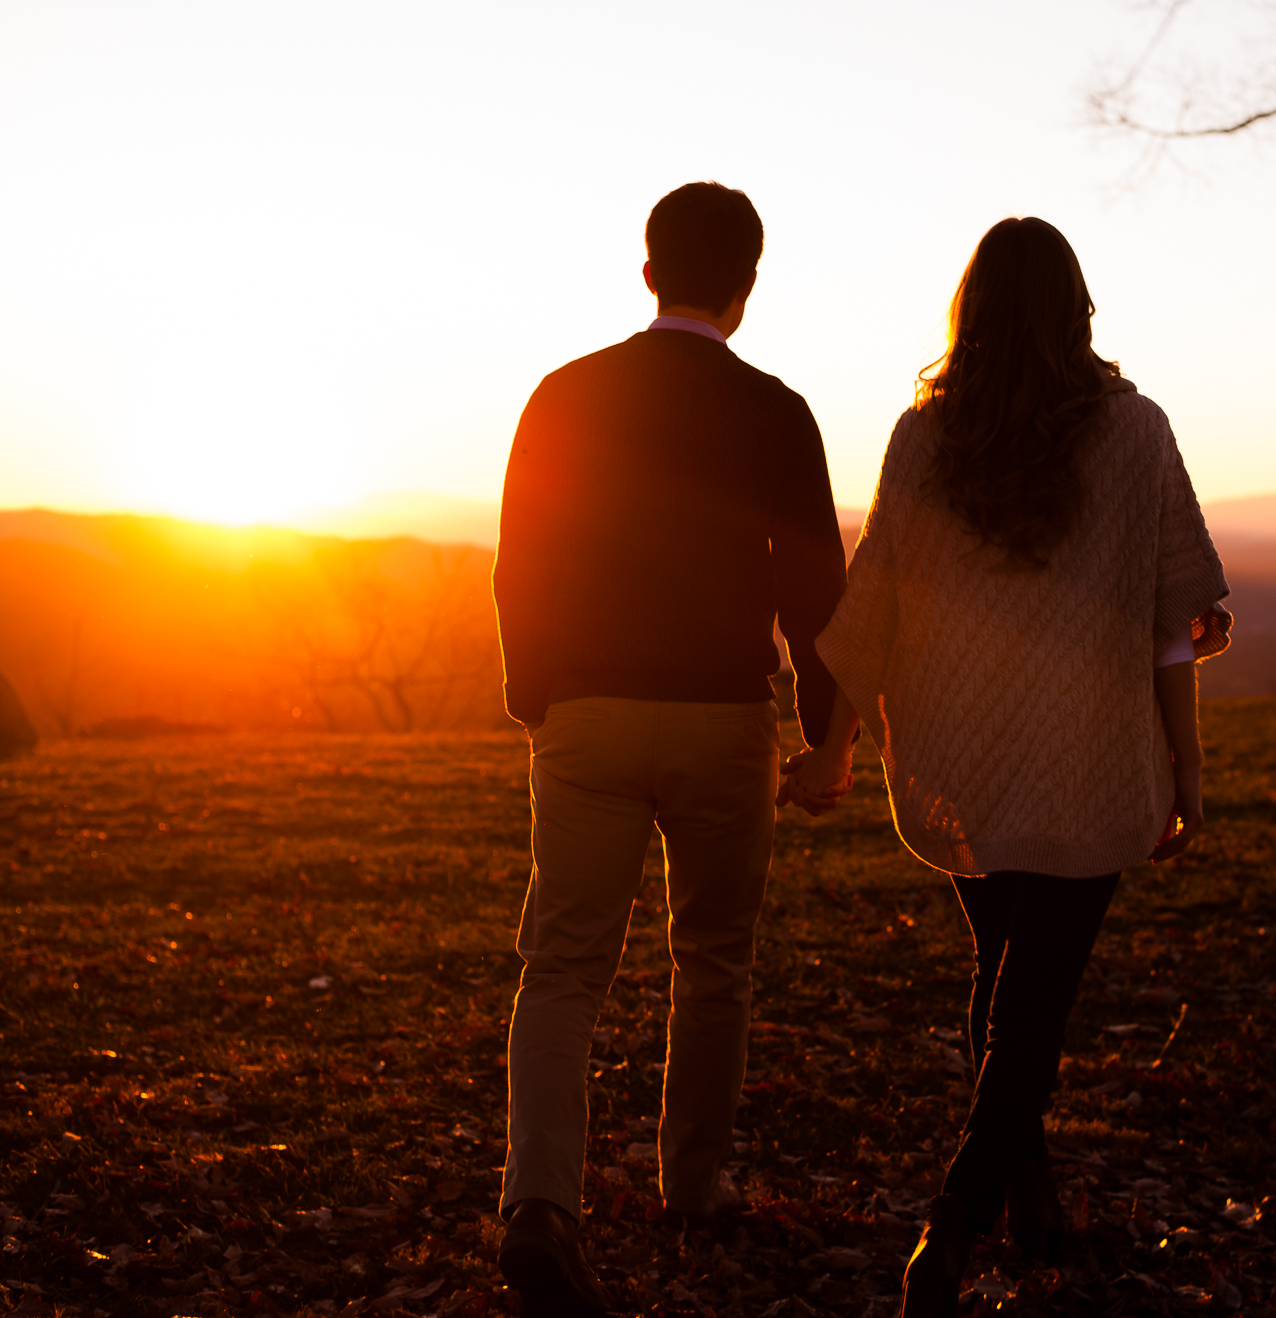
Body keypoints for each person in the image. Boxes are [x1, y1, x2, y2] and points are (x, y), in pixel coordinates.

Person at [781, 217, 1232, 1317]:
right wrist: (1187, 764)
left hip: (965, 755)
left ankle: (1028, 1209)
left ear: (968, 314)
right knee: (1033, 1000)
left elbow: (873, 600)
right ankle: (952, 1228)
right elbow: (1175, 624)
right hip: (1090, 762)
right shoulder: (1136, 430)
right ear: (1077, 308)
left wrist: (835, 745)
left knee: (1006, 983)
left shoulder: (925, 437)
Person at [491, 181, 847, 1318]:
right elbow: (814, 590)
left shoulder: (564, 396)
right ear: (745, 286)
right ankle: (692, 1187)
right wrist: (827, 735)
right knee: (715, 960)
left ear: (648, 272)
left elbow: (518, 564)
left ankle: (541, 1205)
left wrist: (536, 699)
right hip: (722, 720)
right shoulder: (778, 412)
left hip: (588, 713)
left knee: (562, 971)